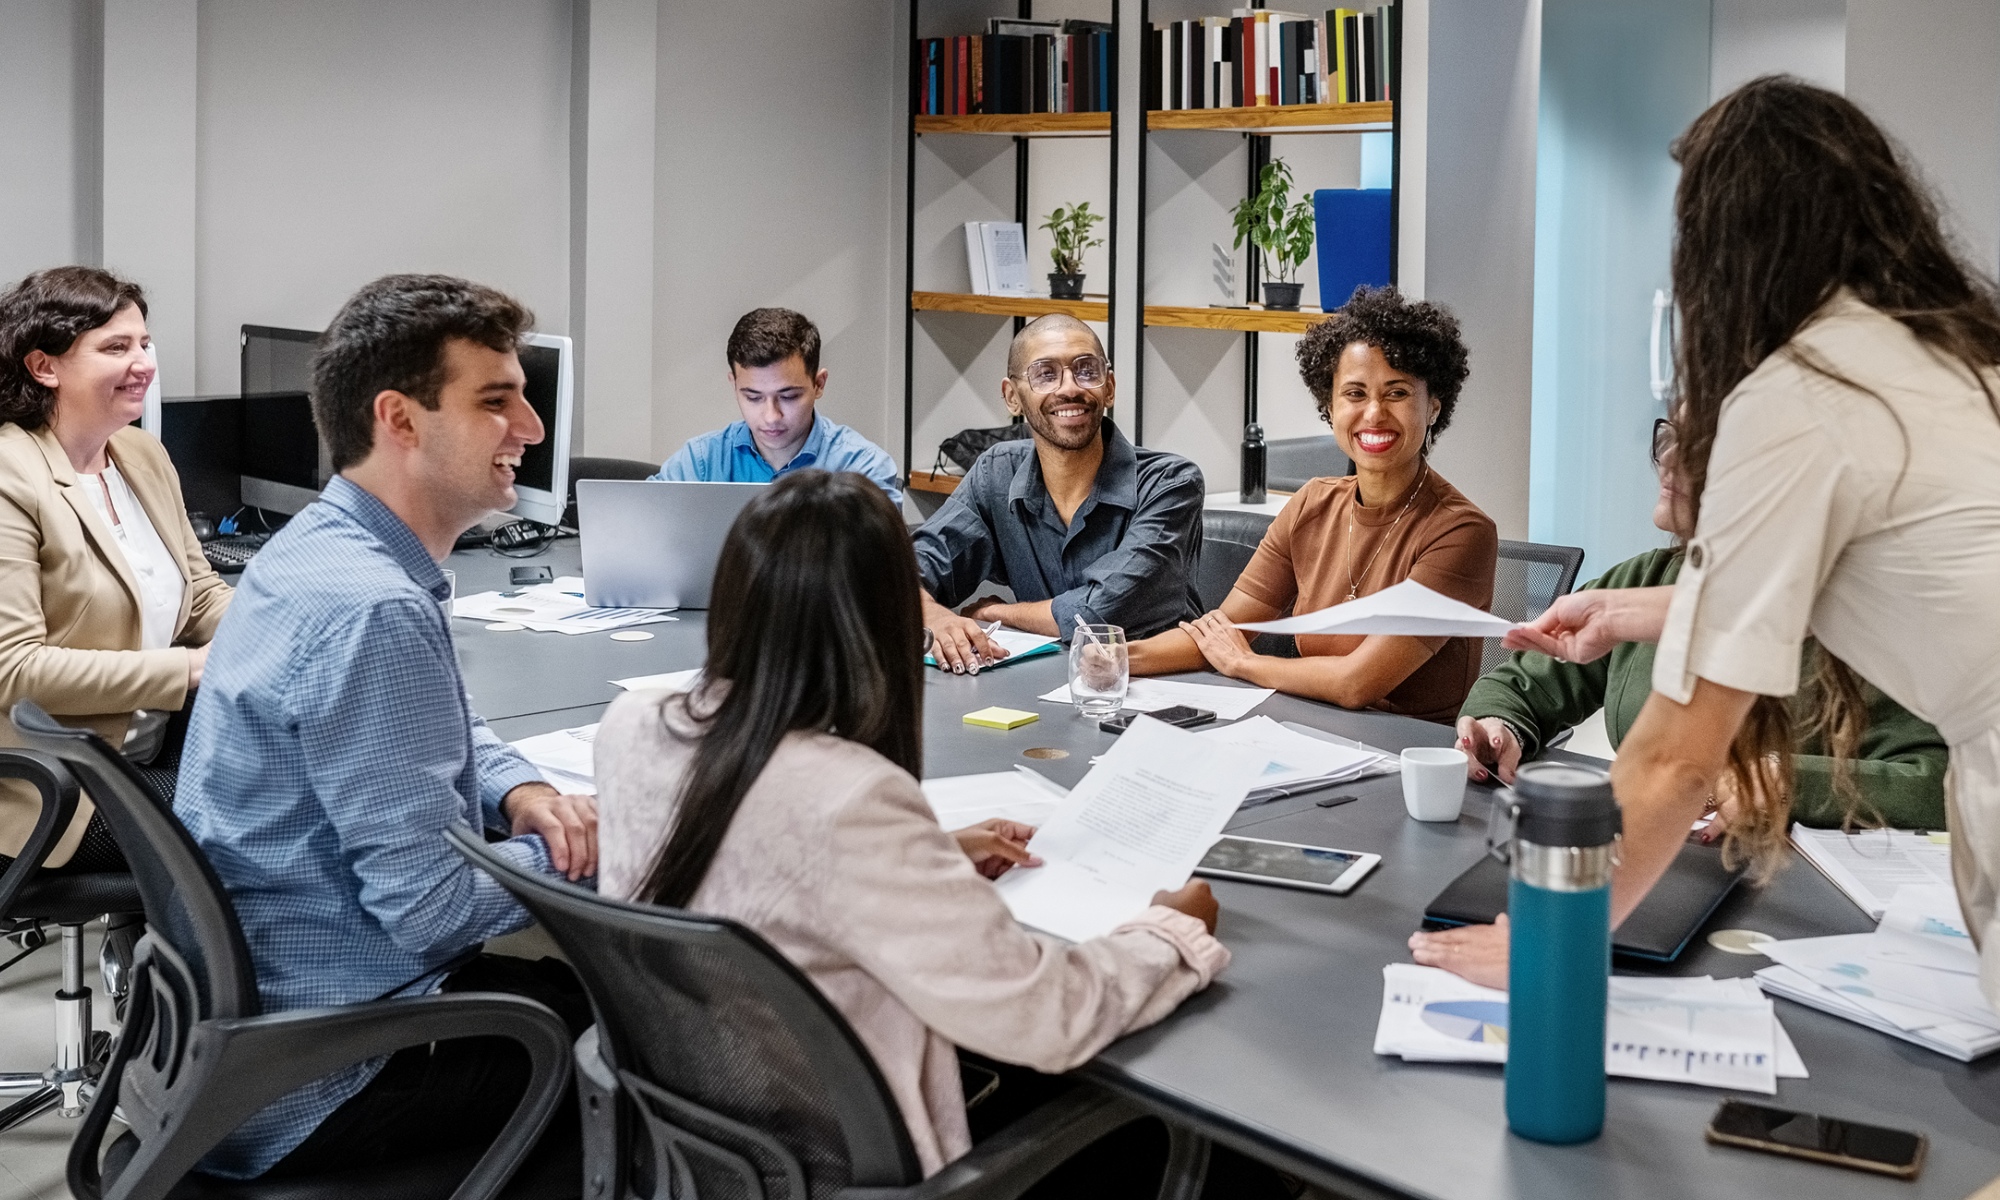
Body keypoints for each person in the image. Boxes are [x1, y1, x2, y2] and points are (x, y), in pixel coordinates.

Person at [1411, 77, 2000, 1001]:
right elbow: (1895, 574)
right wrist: (1634, 608)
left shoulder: (1803, 392)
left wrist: (1549, 942)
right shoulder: (1951, 351)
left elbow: (1680, 754)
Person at [594, 469, 1234, 1189]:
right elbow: (1049, 1015)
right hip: (875, 1166)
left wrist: (925, 854)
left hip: (717, 1140)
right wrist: (1172, 934)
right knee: (1225, 1165)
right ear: (886, 617)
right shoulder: (849, 797)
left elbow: (751, 860)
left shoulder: (629, 727)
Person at [175, 274, 597, 1182]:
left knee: (592, 994)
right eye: (498, 401)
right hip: (334, 1071)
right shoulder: (373, 610)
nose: (531, 429)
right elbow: (434, 912)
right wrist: (615, 843)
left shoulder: (320, 549)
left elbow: (437, 718)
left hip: (254, 1041)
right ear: (400, 419)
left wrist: (514, 785)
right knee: (666, 1043)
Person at [1455, 414, 1948, 833]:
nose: (1668, 458)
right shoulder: (1645, 578)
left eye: (1702, 445)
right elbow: (1524, 683)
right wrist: (1500, 728)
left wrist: (1782, 780)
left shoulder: (1861, 615)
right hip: (1668, 858)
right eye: (1669, 434)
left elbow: (1936, 784)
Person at [1125, 286, 1497, 724]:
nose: (1374, 413)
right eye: (1354, 394)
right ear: (1330, 406)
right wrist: (1116, 657)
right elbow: (1225, 631)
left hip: (1407, 752)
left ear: (1433, 406)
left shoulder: (1461, 532)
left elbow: (1356, 683)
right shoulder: (1313, 503)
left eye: (1396, 393)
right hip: (1308, 730)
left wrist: (1243, 664)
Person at [0, 266, 231, 870]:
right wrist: (187, 669)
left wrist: (285, 632)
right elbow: (16, 671)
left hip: (148, 746)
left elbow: (200, 597)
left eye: (145, 344)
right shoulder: (9, 478)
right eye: (116, 347)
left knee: (310, 767)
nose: (144, 364)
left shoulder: (141, 453)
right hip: (58, 788)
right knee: (275, 810)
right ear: (44, 366)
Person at [916, 314, 1204, 672]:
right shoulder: (996, 474)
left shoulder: (1170, 482)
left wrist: (995, 612)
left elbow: (1102, 611)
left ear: (1109, 387)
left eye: (1086, 370)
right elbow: (904, 571)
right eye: (1045, 374)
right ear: (1012, 397)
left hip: (1164, 692)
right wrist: (935, 617)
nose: (1069, 388)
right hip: (1043, 685)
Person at [651, 306, 903, 507]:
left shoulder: (863, 468)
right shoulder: (699, 463)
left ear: (818, 384)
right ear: (734, 384)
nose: (771, 417)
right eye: (753, 397)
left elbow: (881, 566)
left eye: (789, 396)